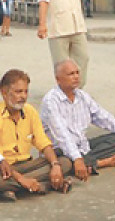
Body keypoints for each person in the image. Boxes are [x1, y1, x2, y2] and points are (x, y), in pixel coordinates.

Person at [41, 59, 115, 180]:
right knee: (65, 162)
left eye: (77, 73)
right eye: (71, 74)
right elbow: (62, 136)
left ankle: (86, 163)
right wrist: (77, 159)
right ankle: (99, 163)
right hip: (60, 150)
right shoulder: (51, 101)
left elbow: (106, 118)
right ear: (58, 79)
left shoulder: (82, 96)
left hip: (83, 146)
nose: (76, 77)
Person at [0, 69, 73, 200]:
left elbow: (43, 143)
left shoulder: (30, 111)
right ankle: (44, 185)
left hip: (28, 165)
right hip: (5, 169)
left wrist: (55, 166)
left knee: (65, 162)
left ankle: (14, 190)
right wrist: (21, 179)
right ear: (4, 93)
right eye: (18, 92)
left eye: (26, 91)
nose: (23, 96)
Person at [37, 0, 92, 85]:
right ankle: (63, 93)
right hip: (58, 30)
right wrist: (42, 25)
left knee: (83, 58)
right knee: (61, 65)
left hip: (77, 27)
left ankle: (77, 90)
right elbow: (43, 2)